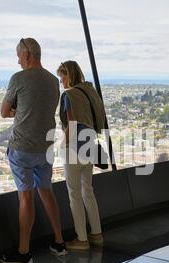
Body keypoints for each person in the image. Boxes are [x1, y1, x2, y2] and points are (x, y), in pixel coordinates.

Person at [0, 38, 67, 263]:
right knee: (47, 192)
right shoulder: (52, 80)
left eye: (19, 56)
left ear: (27, 55)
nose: (18, 60)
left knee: (25, 197)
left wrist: (18, 112)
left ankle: (24, 252)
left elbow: (4, 111)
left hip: (23, 148)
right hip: (45, 148)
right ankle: (59, 242)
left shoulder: (18, 78)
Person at [57, 61, 106, 250]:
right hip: (90, 145)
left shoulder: (70, 95)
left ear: (69, 75)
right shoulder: (90, 92)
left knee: (74, 195)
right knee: (88, 191)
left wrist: (63, 144)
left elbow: (72, 122)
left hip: (74, 148)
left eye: (62, 76)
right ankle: (97, 234)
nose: (61, 81)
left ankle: (82, 239)